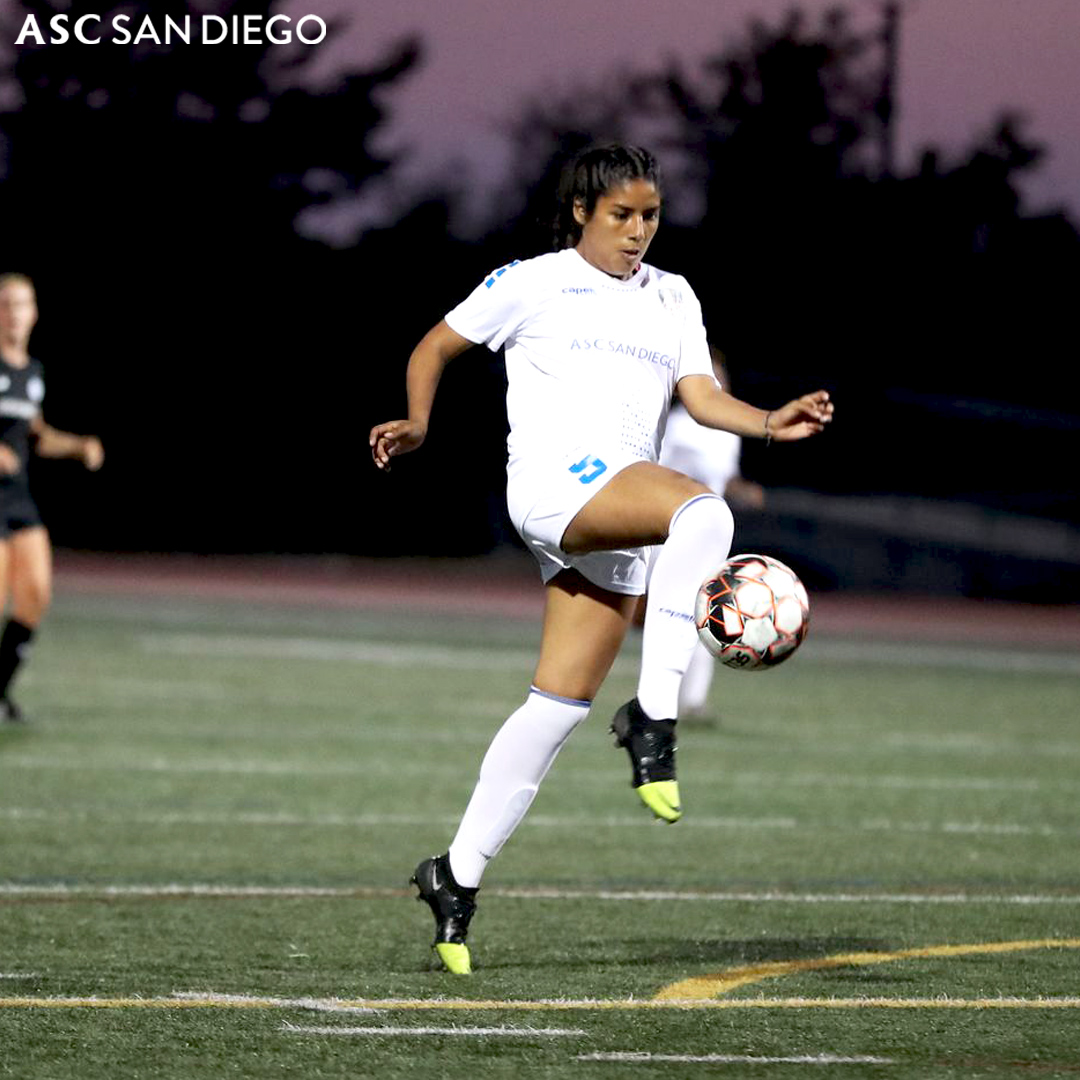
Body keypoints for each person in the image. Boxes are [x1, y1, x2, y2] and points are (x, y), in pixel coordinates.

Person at [369, 144, 832, 974]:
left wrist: (767, 420)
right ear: (582, 211)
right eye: (622, 214)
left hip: (611, 511)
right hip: (555, 484)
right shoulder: (532, 281)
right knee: (702, 511)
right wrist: (419, 422)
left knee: (555, 706)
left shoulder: (674, 296)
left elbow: (699, 397)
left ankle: (454, 876)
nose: (638, 231)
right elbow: (433, 346)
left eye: (650, 215)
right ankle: (654, 717)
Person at [0, 273, 104, 722]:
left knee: (36, 593)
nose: (14, 313)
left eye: (21, 304)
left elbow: (37, 435)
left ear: (35, 312)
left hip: (18, 497)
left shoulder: (32, 373)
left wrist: (78, 445)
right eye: (5, 304)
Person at [653, 346, 766, 719]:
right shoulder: (676, 425)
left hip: (708, 537)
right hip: (664, 533)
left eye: (720, 376)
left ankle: (692, 701)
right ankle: (654, 698)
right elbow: (652, 471)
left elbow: (724, 478)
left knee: (706, 617)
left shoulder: (729, 431)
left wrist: (742, 489)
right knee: (657, 617)